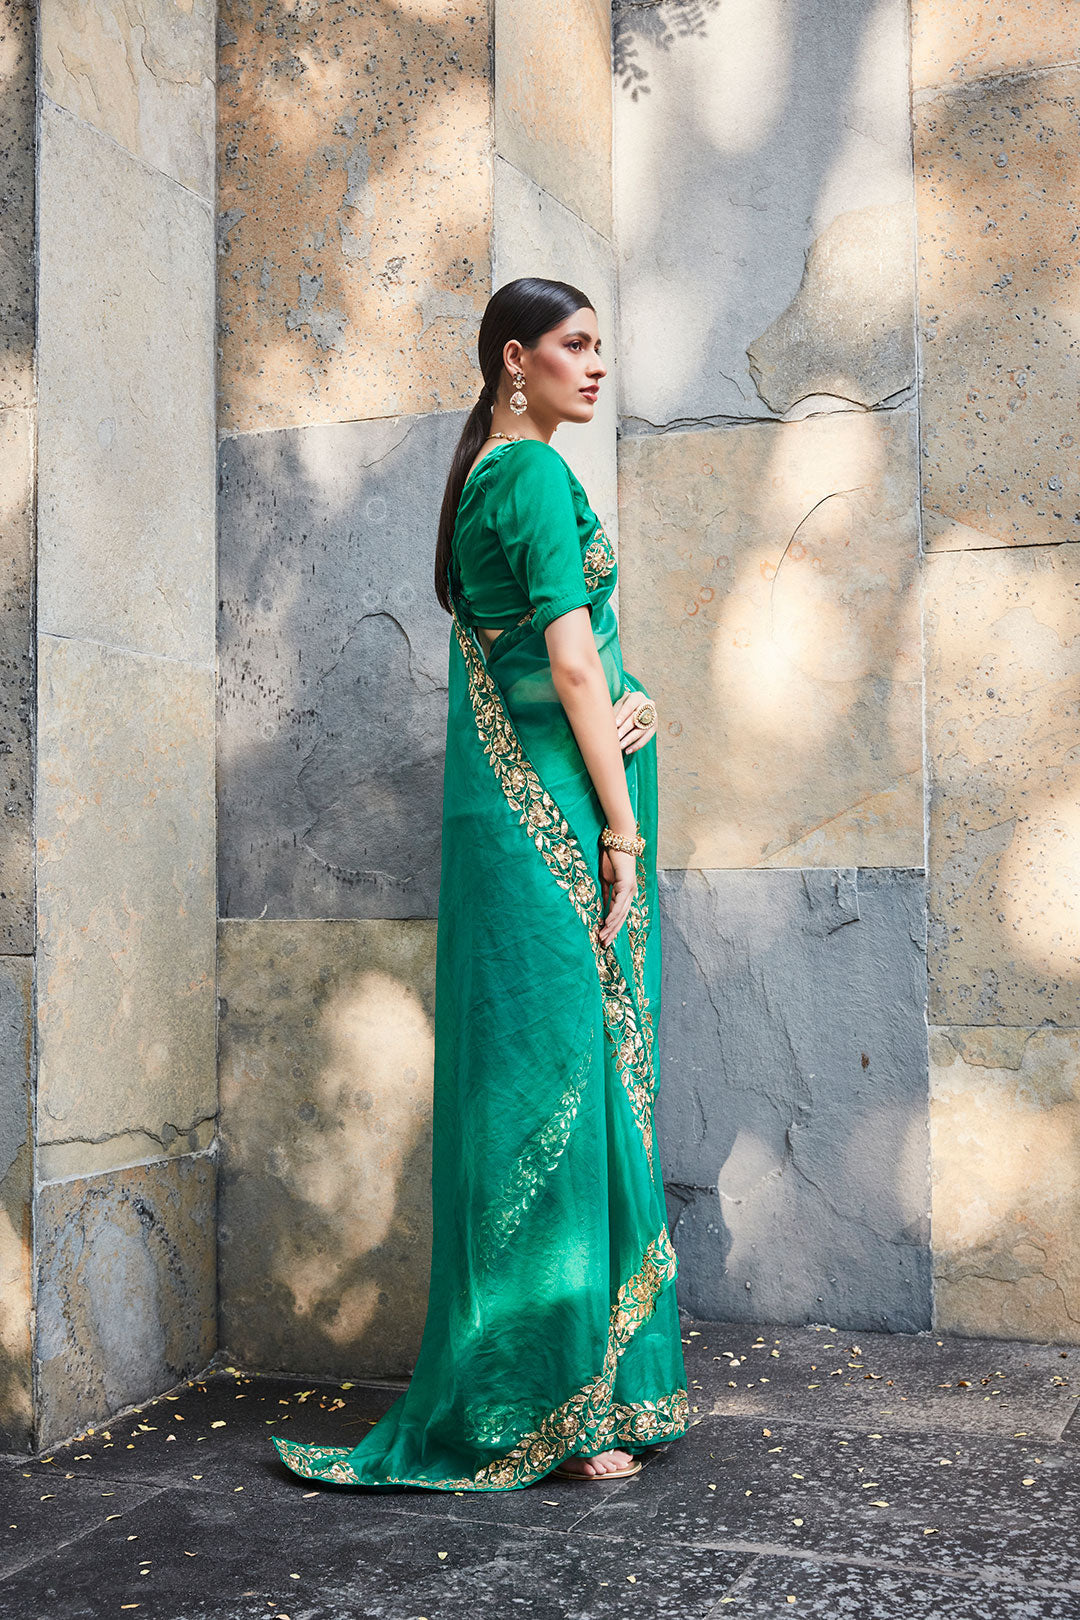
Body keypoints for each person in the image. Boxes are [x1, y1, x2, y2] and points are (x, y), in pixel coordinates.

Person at [271, 276, 688, 1491]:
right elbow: (563, 662)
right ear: (516, 358)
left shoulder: (492, 479)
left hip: (526, 815)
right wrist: (619, 825)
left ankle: (583, 1389)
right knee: (551, 1082)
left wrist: (631, 698)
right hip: (550, 828)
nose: (597, 366)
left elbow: (559, 659)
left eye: (602, 345)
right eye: (575, 345)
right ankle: (539, 1402)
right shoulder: (535, 477)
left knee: (560, 1072)